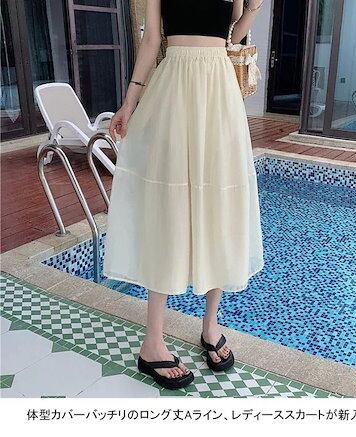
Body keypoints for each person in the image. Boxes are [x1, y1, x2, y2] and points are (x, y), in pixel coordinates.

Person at [103, 0, 264, 390]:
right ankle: (152, 342)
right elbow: (151, 40)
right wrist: (129, 101)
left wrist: (254, 9)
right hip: (173, 86)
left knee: (221, 205)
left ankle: (210, 326)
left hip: (219, 91)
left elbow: (232, 37)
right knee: (169, 207)